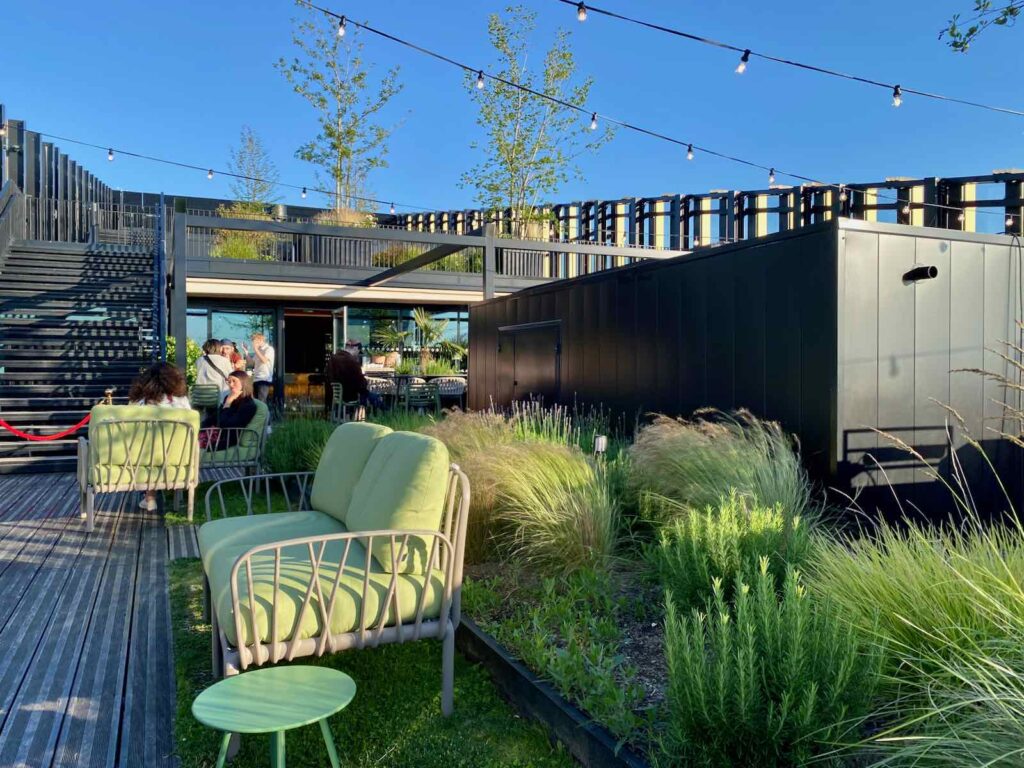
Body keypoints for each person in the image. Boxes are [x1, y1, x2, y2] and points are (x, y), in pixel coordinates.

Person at [127, 362, 191, 510]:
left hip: (140, 455)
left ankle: (150, 497)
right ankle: (158, 496)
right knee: (162, 447)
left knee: (150, 447)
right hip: (177, 454)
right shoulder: (181, 402)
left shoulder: (138, 403)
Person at [201, 371, 257, 450]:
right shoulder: (231, 398)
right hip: (216, 435)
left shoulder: (248, 405)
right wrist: (198, 427)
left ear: (243, 382)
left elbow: (226, 425)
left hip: (226, 440)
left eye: (234, 381)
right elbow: (215, 417)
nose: (231, 385)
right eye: (229, 381)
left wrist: (227, 404)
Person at [325, 349, 378, 415]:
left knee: (366, 394)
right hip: (350, 395)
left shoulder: (333, 361)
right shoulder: (352, 362)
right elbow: (360, 382)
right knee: (370, 395)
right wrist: (365, 384)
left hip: (335, 395)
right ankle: (380, 412)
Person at [242, 332, 275, 402]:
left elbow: (264, 360)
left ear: (260, 340)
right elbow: (251, 363)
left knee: (261, 402)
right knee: (255, 403)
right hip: (255, 379)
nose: (253, 342)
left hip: (264, 380)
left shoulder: (269, 349)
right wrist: (246, 352)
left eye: (254, 340)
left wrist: (256, 349)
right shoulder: (258, 351)